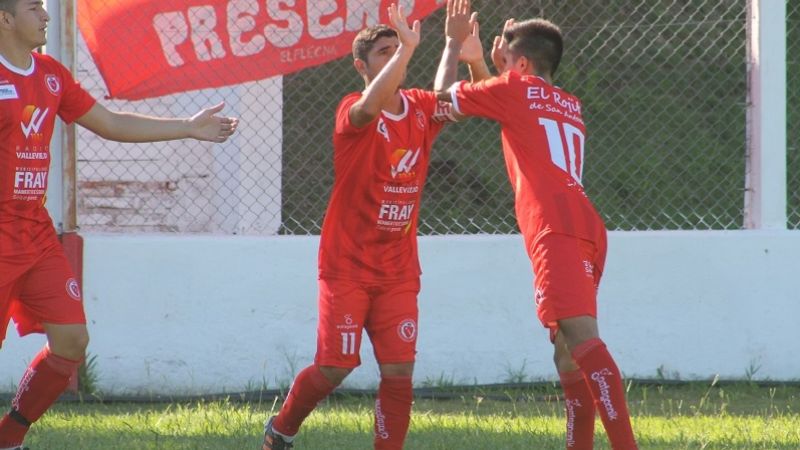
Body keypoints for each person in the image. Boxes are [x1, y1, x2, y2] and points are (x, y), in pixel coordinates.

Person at [0, 0, 238, 448]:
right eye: (35, 9)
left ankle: (9, 437)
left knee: (72, 341)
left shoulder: (51, 73)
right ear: (5, 19)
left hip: (35, 233)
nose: (46, 16)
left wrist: (187, 127)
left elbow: (108, 122)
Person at [261, 2, 485, 449]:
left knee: (399, 371)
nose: (394, 55)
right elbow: (369, 106)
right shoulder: (353, 112)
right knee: (336, 367)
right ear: (361, 66)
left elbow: (463, 97)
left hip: (398, 269)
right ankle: (282, 429)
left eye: (395, 49)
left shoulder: (419, 108)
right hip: (347, 265)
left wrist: (459, 47)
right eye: (384, 52)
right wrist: (407, 49)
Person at [434, 9, 639, 450]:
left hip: (553, 227)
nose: (501, 61)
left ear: (521, 63)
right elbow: (511, 115)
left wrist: (456, 48)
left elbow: (439, 101)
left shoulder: (513, 88)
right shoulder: (567, 101)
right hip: (584, 223)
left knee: (585, 345)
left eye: (506, 55)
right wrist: (486, 66)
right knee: (566, 350)